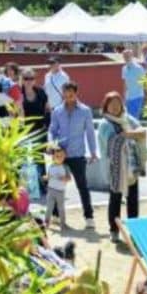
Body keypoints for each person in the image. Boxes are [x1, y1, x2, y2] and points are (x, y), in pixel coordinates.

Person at [48, 81, 97, 229]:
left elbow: (90, 132)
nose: (68, 98)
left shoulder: (85, 111)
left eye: (71, 95)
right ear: (63, 94)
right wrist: (51, 144)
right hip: (60, 154)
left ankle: (89, 217)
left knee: (82, 186)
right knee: (57, 185)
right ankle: (56, 215)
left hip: (77, 154)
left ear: (76, 93)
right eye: (66, 95)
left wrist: (93, 152)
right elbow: (52, 130)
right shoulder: (57, 111)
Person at [99, 91, 146, 241]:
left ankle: (135, 231)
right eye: (111, 104)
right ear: (106, 106)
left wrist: (126, 135)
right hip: (116, 169)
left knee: (133, 200)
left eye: (117, 104)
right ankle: (114, 231)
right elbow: (108, 145)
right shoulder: (105, 124)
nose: (115, 107)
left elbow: (142, 132)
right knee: (115, 199)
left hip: (132, 166)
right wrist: (130, 135)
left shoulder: (128, 119)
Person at [19, 68, 50, 186]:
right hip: (23, 132)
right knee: (22, 159)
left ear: (34, 80)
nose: (28, 81)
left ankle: (42, 185)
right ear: (22, 79)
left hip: (39, 130)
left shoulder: (41, 92)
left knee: (39, 159)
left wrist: (47, 127)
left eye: (31, 78)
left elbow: (48, 109)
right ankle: (23, 187)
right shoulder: (18, 93)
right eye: (26, 78)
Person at [44, 145, 71, 230]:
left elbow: (69, 178)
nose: (59, 158)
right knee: (49, 207)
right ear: (53, 157)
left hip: (61, 191)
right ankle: (46, 222)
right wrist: (46, 178)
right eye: (57, 156)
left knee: (61, 208)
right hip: (51, 190)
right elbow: (48, 176)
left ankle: (63, 224)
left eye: (61, 156)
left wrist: (64, 179)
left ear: (64, 156)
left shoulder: (65, 167)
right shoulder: (51, 166)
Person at [121, 49, 147, 119]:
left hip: (137, 96)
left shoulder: (139, 68)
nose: (126, 58)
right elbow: (125, 83)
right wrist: (124, 97)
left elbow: (144, 82)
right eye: (124, 56)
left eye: (127, 56)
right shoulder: (124, 69)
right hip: (128, 97)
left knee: (135, 118)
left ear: (132, 56)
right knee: (129, 118)